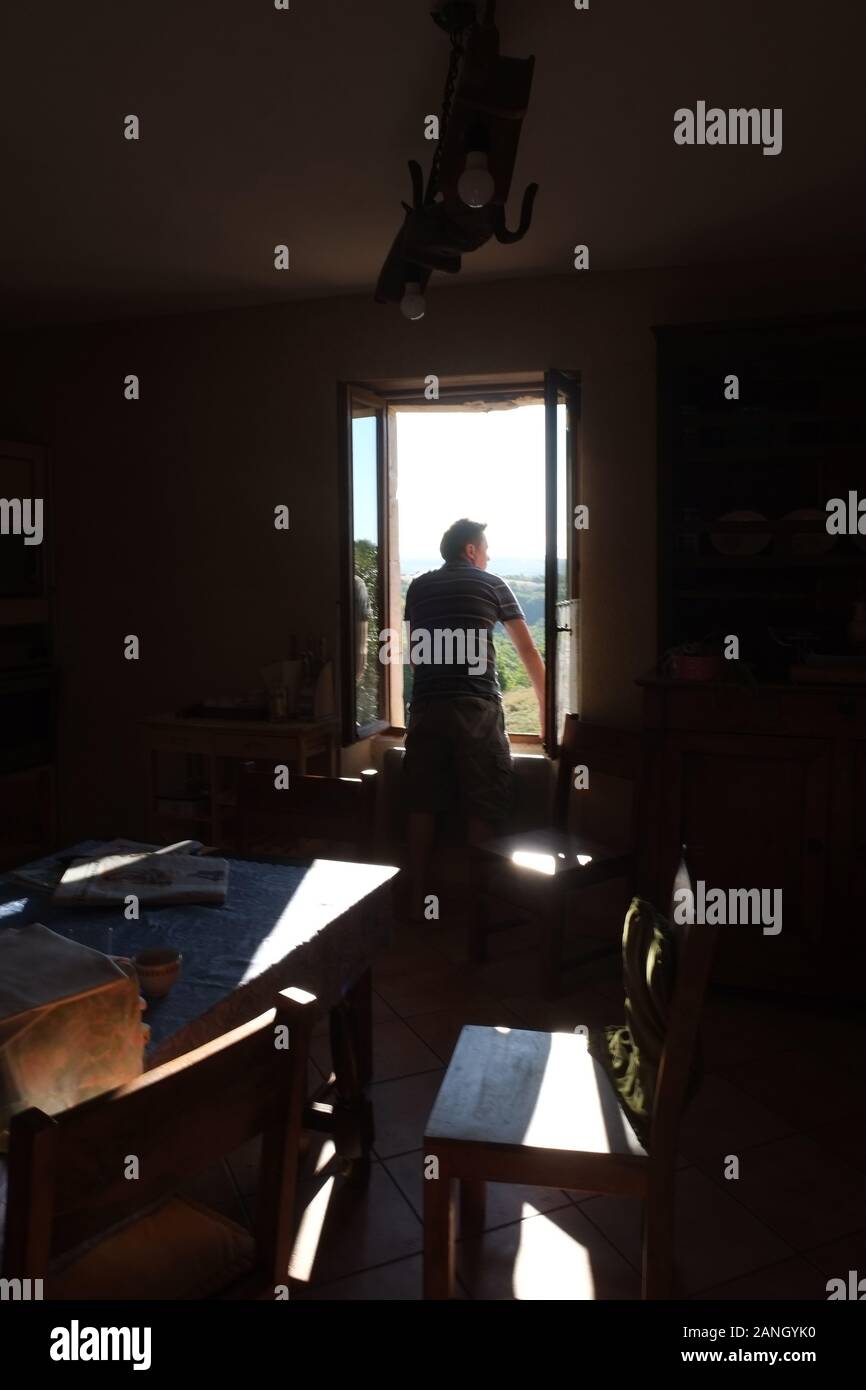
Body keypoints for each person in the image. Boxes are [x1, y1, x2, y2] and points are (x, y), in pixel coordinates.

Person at [402, 517, 545, 922]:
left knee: (422, 803)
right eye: (486, 549)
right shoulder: (493, 584)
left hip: (427, 707)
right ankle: (477, 911)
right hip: (475, 707)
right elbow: (528, 652)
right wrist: (548, 715)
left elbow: (415, 656)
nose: (489, 556)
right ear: (471, 550)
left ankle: (417, 902)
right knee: (482, 805)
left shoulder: (419, 586)